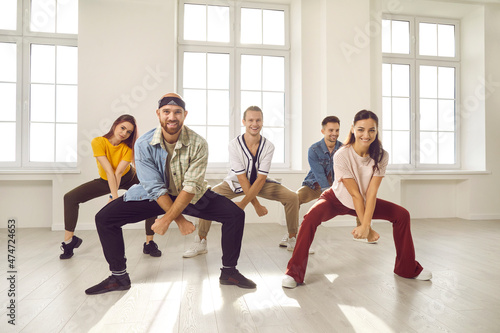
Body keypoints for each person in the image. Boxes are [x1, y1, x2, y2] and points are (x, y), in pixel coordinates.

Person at [85, 93, 256, 295]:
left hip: (189, 195)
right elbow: (154, 187)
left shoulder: (199, 143)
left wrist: (166, 219)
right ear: (158, 114)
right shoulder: (142, 144)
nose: (172, 117)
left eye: (177, 112)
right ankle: (118, 277)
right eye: (166, 112)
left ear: (185, 115)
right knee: (104, 218)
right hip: (153, 195)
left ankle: (229, 272)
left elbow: (191, 186)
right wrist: (180, 221)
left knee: (235, 215)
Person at [282, 110, 432, 289]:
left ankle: (407, 268)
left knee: (402, 215)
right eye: (361, 130)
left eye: (371, 130)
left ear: (376, 131)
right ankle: (294, 273)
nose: (366, 135)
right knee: (309, 220)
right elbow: (354, 194)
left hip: (363, 200)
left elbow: (371, 192)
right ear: (353, 129)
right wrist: (366, 228)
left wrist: (365, 225)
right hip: (335, 199)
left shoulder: (381, 155)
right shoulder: (342, 154)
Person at [182, 106, 300, 258]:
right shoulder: (234, 144)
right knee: (207, 198)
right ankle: (201, 241)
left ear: (262, 122)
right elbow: (242, 178)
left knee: (292, 197)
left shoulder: (268, 146)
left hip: (260, 184)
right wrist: (255, 205)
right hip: (235, 183)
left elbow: (261, 179)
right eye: (250, 120)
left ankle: (292, 238)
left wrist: (243, 203)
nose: (254, 123)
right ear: (244, 122)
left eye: (258, 120)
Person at [60, 114, 160, 260]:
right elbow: (109, 171)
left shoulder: (128, 148)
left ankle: (149, 243)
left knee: (153, 196)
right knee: (70, 198)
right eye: (122, 128)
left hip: (129, 177)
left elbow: (119, 172)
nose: (124, 133)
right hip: (106, 179)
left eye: (128, 132)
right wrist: (114, 195)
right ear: (115, 125)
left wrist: (113, 197)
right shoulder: (98, 142)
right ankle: (69, 241)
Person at [296, 116, 377, 244]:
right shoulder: (313, 150)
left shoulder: (344, 148)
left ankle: (364, 230)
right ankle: (294, 235)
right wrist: (329, 197)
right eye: (331, 130)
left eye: (337, 130)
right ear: (323, 131)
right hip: (315, 185)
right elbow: (319, 175)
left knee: (359, 193)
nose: (334, 134)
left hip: (338, 186)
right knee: (295, 198)